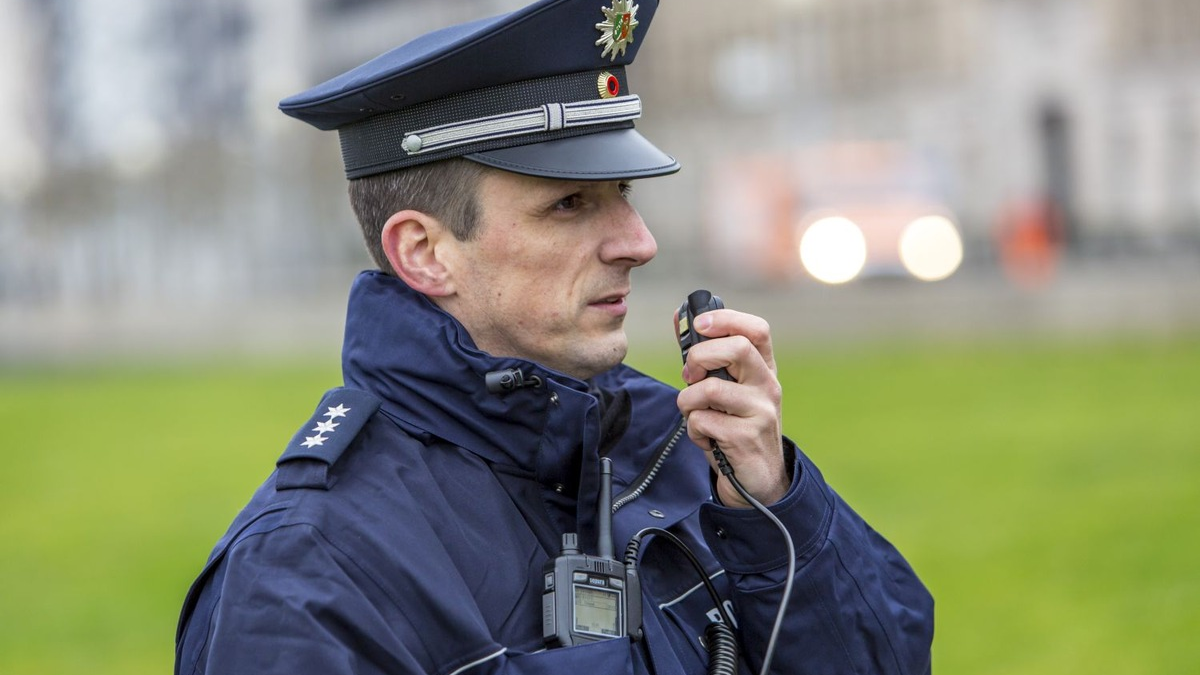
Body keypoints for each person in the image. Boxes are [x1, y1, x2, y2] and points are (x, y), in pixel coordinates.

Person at [174, 1, 934, 674]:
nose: (638, 242)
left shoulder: (688, 452)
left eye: (623, 195)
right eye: (570, 203)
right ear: (424, 252)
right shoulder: (306, 568)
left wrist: (772, 509)